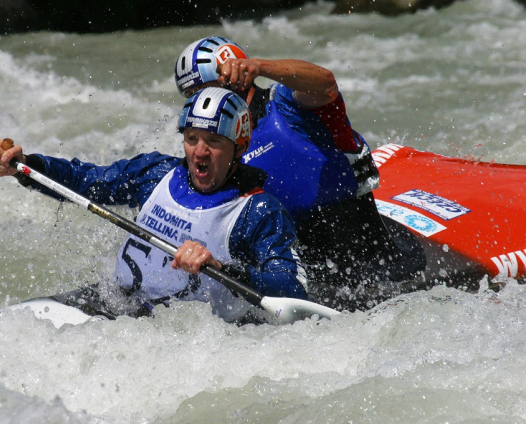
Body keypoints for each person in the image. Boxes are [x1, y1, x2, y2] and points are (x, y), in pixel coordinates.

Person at [0, 87, 308, 323]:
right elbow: (88, 181)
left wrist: (223, 267)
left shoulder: (258, 211)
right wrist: (27, 166)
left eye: (214, 142)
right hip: (116, 302)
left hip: (184, 332)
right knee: (9, 326)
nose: (200, 151)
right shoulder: (155, 173)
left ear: (241, 146)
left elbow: (291, 288)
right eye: (192, 138)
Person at [174, 37, 426, 310]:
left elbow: (325, 82)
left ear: (237, 79)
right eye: (191, 96)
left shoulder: (288, 106)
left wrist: (259, 65)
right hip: (297, 279)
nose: (200, 103)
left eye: (205, 90)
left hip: (375, 267)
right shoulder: (211, 151)